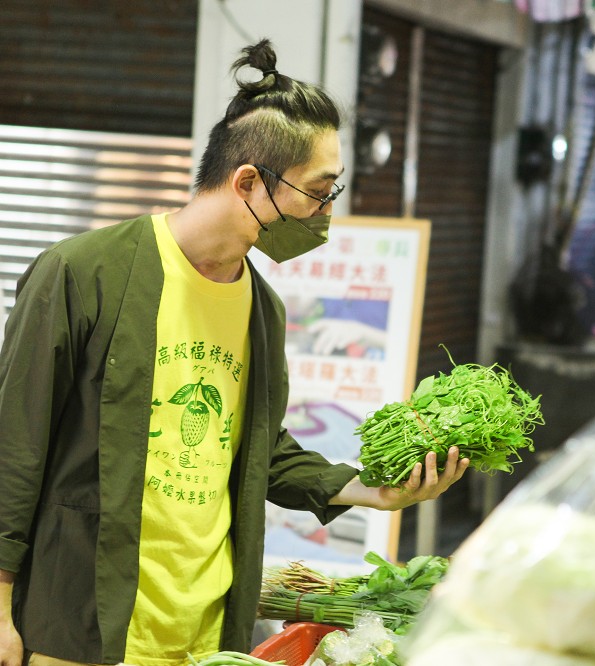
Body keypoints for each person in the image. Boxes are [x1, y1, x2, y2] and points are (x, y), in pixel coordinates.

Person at [0, 39, 469, 666]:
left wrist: (372, 491)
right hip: (81, 628)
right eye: (319, 191)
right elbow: (15, 445)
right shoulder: (83, 273)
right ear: (248, 180)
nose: (327, 212)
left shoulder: (261, 309)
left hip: (209, 633)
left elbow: (257, 450)